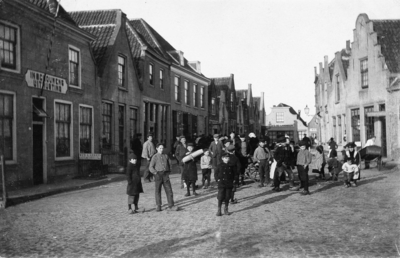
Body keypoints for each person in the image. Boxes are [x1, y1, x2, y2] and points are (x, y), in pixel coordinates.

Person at [149, 143, 179, 212]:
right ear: (157, 148)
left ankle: (171, 205)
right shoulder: (155, 157)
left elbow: (170, 164)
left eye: (162, 148)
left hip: (165, 174)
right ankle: (158, 205)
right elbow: (151, 167)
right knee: (158, 191)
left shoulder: (166, 156)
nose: (161, 150)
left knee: (169, 190)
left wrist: (169, 171)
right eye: (160, 148)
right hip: (158, 174)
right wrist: (156, 173)